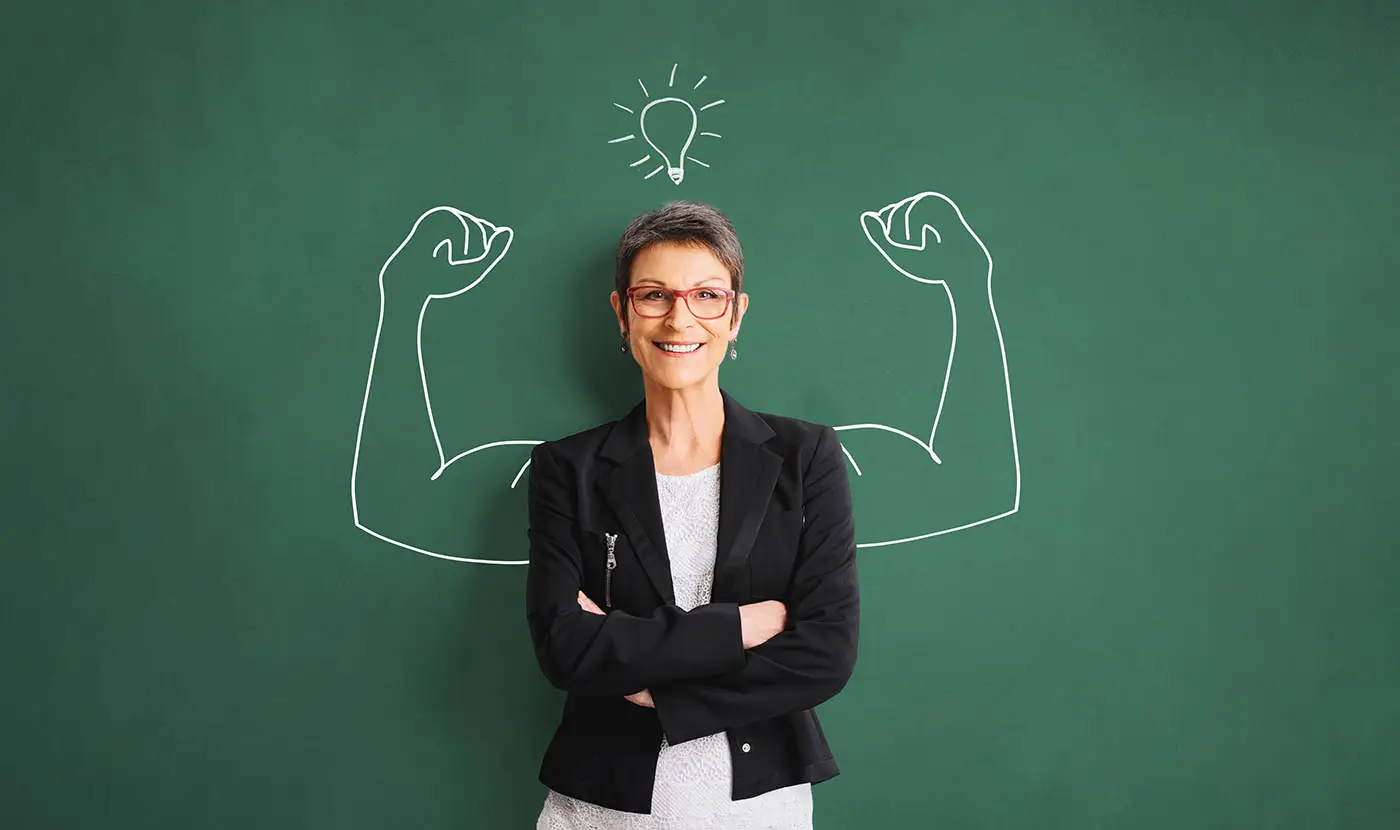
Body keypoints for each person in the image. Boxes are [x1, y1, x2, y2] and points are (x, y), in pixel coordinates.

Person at [526, 201, 860, 829]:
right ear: (622, 314)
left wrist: (657, 688)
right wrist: (736, 628)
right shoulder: (567, 468)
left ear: (736, 315)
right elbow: (564, 648)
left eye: (707, 295)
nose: (680, 317)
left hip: (760, 812)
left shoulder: (804, 456)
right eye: (654, 295)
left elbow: (825, 653)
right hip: (597, 811)